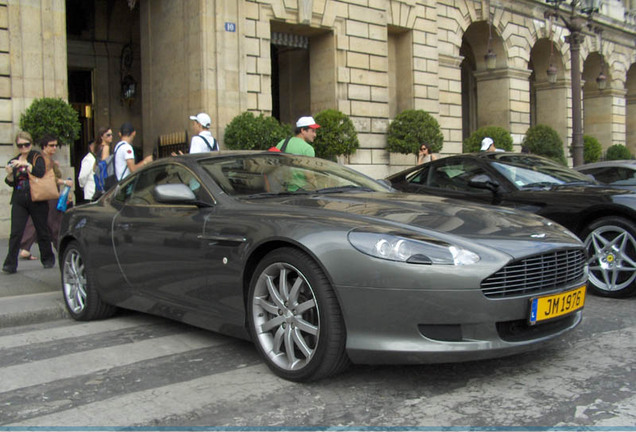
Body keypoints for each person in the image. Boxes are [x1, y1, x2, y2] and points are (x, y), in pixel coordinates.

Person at [2, 132, 55, 273]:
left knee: (42, 229)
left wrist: (26, 164)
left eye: (26, 144)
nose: (24, 148)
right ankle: (10, 264)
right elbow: (11, 183)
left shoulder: (36, 157)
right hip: (19, 198)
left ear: (31, 144)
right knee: (16, 232)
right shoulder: (14, 160)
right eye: (20, 145)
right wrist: (9, 174)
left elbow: (40, 172)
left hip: (36, 198)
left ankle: (48, 258)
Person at [19, 135, 73, 258]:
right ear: (44, 146)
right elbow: (48, 178)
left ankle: (25, 248)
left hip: (44, 194)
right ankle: (61, 249)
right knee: (54, 222)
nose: (54, 148)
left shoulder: (45, 158)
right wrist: (64, 182)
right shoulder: (44, 159)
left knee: (36, 220)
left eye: (55, 145)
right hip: (48, 194)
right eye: (51, 145)